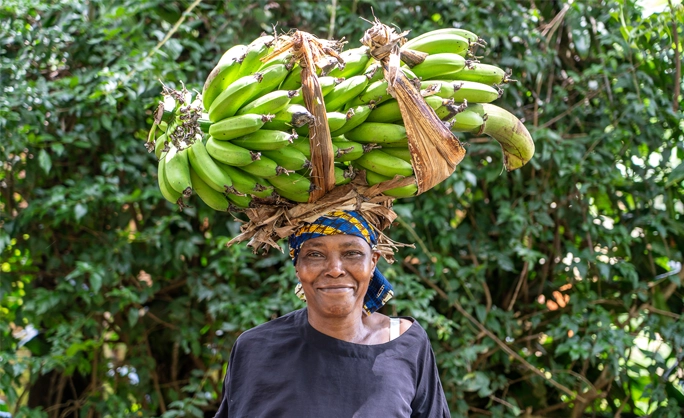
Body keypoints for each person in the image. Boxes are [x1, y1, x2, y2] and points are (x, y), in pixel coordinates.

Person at [214, 210, 450, 417]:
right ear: (298, 267)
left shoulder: (407, 344)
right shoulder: (256, 349)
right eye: (316, 255)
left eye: (352, 254)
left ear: (373, 263)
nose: (335, 270)